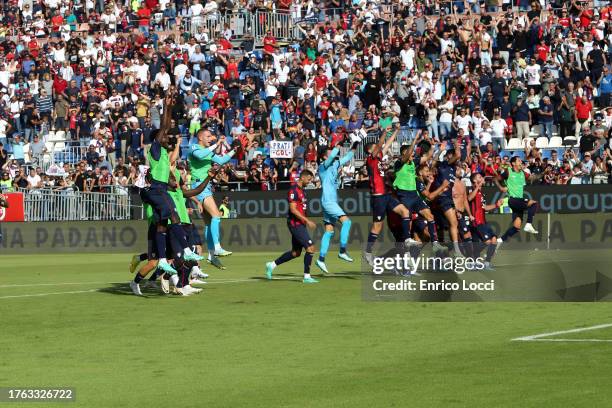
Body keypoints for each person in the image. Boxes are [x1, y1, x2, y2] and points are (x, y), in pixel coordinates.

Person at [139, 92, 204, 275]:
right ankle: (186, 251)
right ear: (158, 138)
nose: (168, 138)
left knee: (163, 224)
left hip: (161, 189)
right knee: (174, 217)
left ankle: (162, 260)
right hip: (156, 190)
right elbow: (165, 126)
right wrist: (167, 107)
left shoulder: (164, 158)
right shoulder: (156, 147)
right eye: (165, 137)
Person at [188, 129, 241, 269]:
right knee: (216, 215)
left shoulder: (208, 151)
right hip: (199, 185)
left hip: (205, 185)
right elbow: (199, 156)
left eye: (211, 136)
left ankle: (211, 255)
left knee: (209, 222)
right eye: (208, 136)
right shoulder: (194, 147)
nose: (210, 138)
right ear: (200, 137)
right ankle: (217, 248)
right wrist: (216, 143)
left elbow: (221, 160)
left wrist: (234, 150)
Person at [315, 130, 362, 274]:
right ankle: (342, 251)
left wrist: (356, 142)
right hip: (328, 202)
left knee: (329, 231)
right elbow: (332, 156)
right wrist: (340, 142)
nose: (332, 153)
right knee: (347, 222)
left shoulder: (335, 165)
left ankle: (321, 260)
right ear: (324, 156)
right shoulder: (323, 166)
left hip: (330, 201)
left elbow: (348, 156)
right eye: (329, 152)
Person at [363, 126, 412, 266]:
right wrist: (384, 131)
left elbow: (386, 144)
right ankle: (367, 252)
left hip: (386, 194)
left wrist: (396, 131)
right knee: (377, 226)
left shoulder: (377, 158)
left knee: (404, 211)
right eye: (375, 148)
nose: (379, 149)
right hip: (378, 196)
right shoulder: (370, 160)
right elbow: (380, 145)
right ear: (370, 150)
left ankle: (407, 239)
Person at [265, 170, 319, 284]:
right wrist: (307, 221)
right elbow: (293, 209)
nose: (309, 182)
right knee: (310, 248)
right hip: (295, 224)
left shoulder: (303, 192)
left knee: (296, 253)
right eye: (309, 179)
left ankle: (272, 265)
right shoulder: (293, 190)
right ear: (303, 177)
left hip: (301, 224)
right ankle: (307, 276)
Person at [496, 156, 540, 246]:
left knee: (516, 227)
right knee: (534, 203)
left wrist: (544, 172)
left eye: (521, 161)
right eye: (519, 161)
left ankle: (500, 240)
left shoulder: (523, 173)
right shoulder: (509, 171)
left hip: (518, 201)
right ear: (513, 163)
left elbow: (532, 178)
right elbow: (495, 179)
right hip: (513, 200)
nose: (521, 162)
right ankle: (528, 224)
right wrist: (501, 188)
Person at [468, 173, 503, 270]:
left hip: (483, 222)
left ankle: (486, 263)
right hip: (476, 223)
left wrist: (496, 205)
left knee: (494, 240)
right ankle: (472, 256)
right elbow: (469, 198)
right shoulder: (470, 189)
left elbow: (485, 207)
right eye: (479, 177)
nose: (482, 178)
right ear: (474, 181)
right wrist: (477, 186)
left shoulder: (481, 192)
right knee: (488, 242)